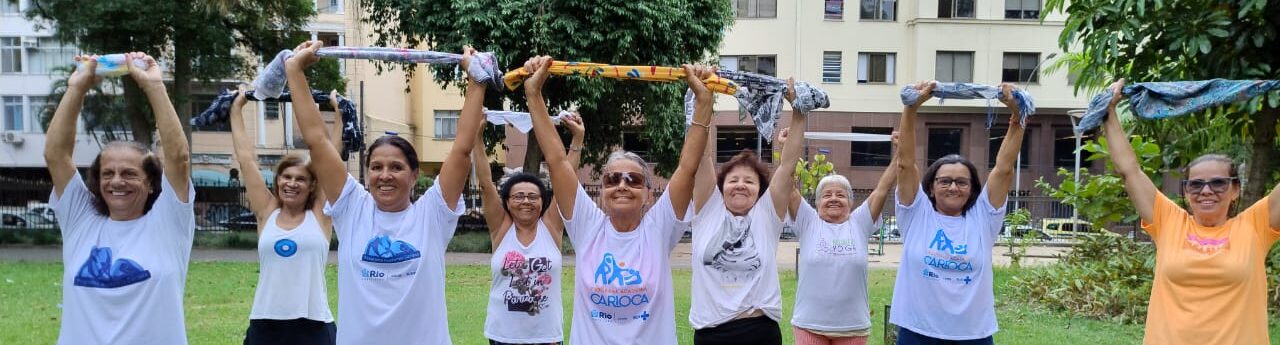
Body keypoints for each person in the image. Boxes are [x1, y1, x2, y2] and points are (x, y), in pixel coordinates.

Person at [285, 40, 486, 345]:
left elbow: (461, 149)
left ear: (414, 174)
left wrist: (476, 82)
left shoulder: (432, 214)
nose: (385, 175)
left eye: (396, 167)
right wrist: (295, 72)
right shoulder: (352, 208)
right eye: (376, 167)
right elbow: (317, 140)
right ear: (367, 174)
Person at [522, 55, 716, 344]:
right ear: (601, 192)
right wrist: (533, 94)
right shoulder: (587, 226)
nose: (622, 185)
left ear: (648, 195)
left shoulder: (658, 229)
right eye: (612, 179)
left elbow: (687, 167)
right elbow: (556, 159)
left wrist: (703, 104)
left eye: (633, 179)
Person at [1101, 79, 1279, 345]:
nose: (1206, 191)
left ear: (1235, 190)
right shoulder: (1169, 221)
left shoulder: (1255, 226)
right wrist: (1109, 113)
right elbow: (1129, 171)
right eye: (1196, 184)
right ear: (1185, 192)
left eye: (1218, 183)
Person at [45, 53, 194, 344]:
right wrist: (77, 87)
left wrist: (154, 86)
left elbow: (178, 157)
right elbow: (56, 155)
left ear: (151, 182)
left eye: (129, 174)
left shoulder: (168, 222)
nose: (116, 181)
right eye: (107, 173)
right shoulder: (80, 219)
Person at [890, 81, 1027, 344]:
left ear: (972, 188)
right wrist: (910, 109)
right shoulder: (916, 213)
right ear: (931, 187)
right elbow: (905, 164)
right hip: (917, 332)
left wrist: (1018, 116)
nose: (953, 187)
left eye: (962, 182)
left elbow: (1004, 168)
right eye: (945, 181)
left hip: (972, 335)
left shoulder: (983, 218)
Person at [685, 79, 804, 345]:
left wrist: (798, 110)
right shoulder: (708, 209)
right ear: (721, 187)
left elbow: (787, 165)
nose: (740, 185)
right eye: (733, 180)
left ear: (760, 190)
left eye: (749, 181)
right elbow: (700, 157)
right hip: (712, 333)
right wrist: (703, 99)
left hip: (759, 330)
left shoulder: (766, 216)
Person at [230, 87, 344, 345]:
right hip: (266, 324)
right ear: (278, 180)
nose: (292, 183)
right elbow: (246, 160)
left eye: (301, 179)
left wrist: (339, 116)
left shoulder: (320, 215)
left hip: (313, 324)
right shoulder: (267, 211)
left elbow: (330, 158)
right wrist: (236, 110)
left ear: (312, 185)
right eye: (286, 177)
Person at [474, 111, 585, 345]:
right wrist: (476, 138)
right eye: (519, 196)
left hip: (546, 337)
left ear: (543, 202)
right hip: (503, 336)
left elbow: (566, 180)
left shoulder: (551, 228)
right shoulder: (501, 229)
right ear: (507, 202)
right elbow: (485, 183)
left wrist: (577, 141)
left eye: (533, 196)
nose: (526, 201)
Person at [788, 133, 898, 345]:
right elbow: (788, 186)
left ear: (851, 201)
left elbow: (883, 189)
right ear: (817, 202)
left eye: (840, 195)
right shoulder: (809, 222)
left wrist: (900, 152)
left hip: (853, 326)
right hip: (809, 324)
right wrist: (788, 147)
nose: (833, 199)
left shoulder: (860, 222)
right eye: (827, 195)